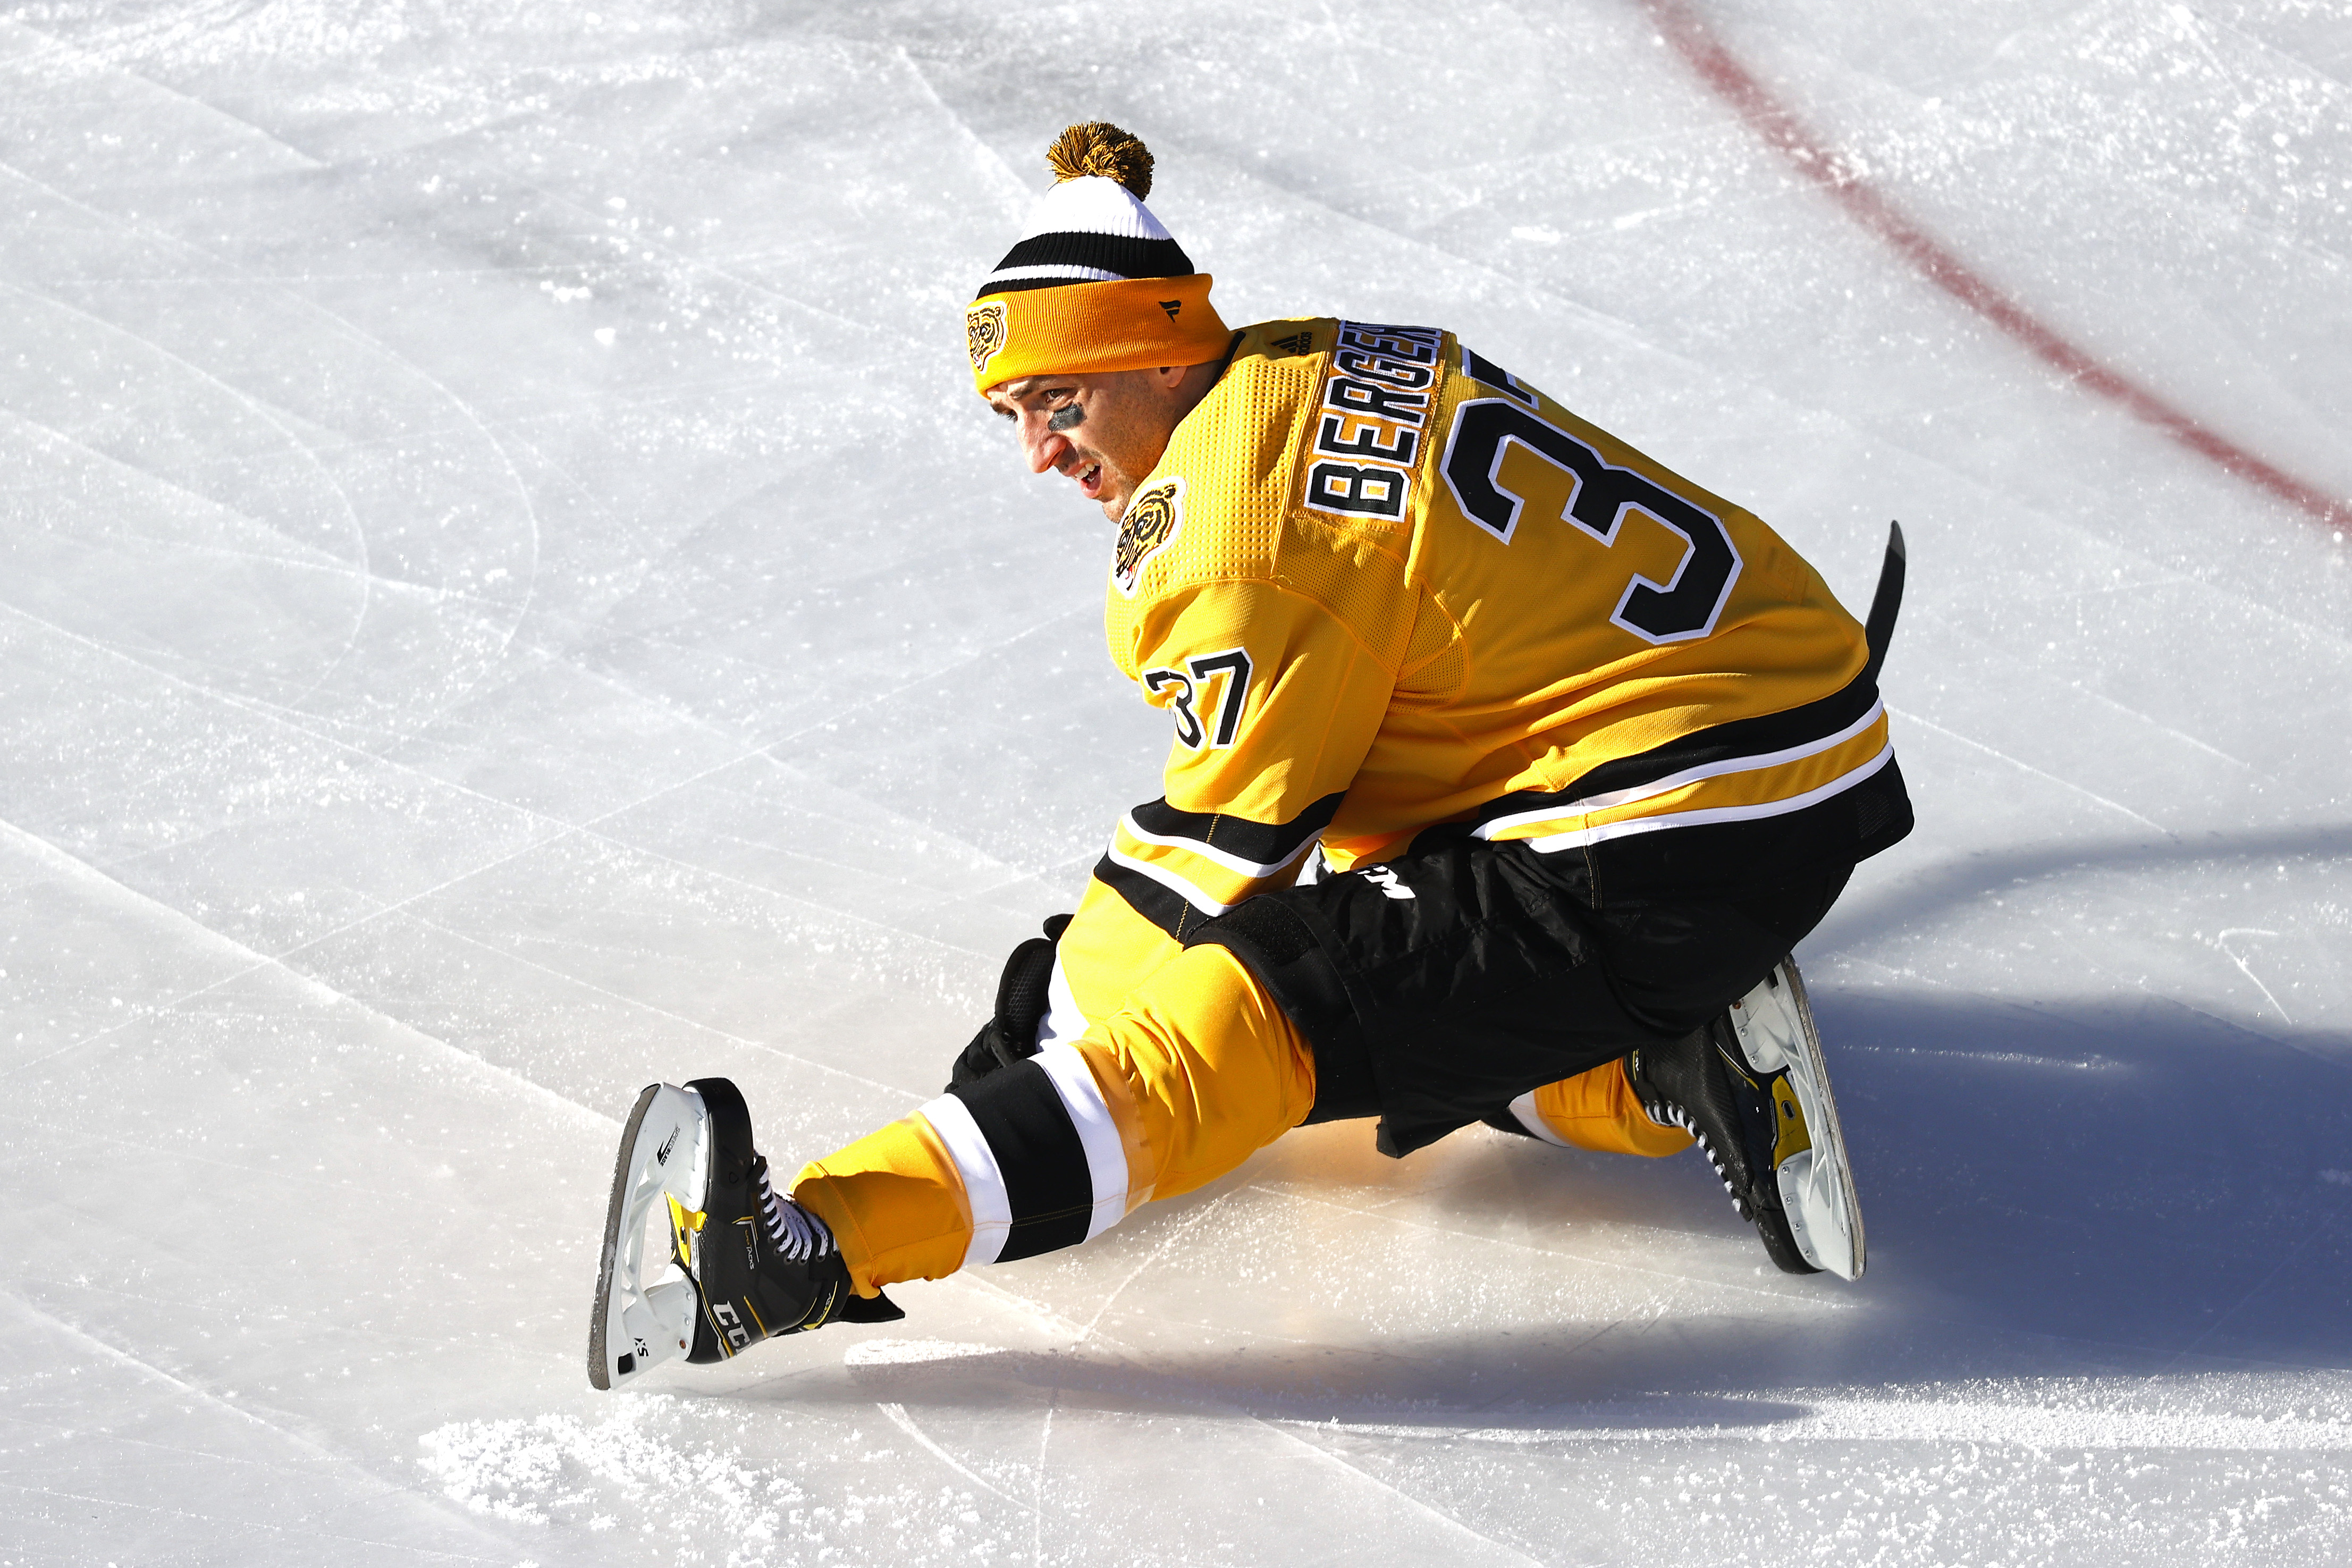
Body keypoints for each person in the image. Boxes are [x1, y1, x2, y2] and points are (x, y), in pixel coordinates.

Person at [588, 123, 1913, 1387]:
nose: (1038, 453)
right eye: (1007, 414)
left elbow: (1206, 879)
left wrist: (1028, 1071)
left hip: (1670, 821)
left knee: (1255, 1012)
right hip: (1751, 726)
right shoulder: (1291, 361)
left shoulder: (1225, 534)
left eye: (1058, 401)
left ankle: (799, 1257)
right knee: (1383, 956)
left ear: (1158, 356)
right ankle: (1663, 1063)